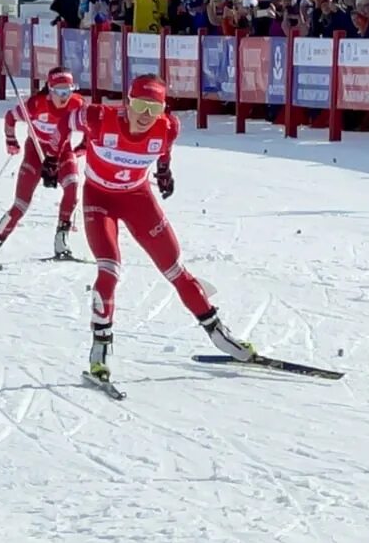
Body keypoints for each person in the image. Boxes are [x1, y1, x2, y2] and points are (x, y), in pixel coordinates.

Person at [77, 73, 251, 387]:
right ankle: (100, 350)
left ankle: (220, 335)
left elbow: (164, 149)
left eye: (154, 109)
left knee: (175, 268)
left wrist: (164, 169)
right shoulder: (98, 117)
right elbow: (64, 117)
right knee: (109, 269)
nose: (146, 115)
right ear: (127, 102)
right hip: (99, 198)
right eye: (141, 105)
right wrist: (53, 154)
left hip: (138, 198)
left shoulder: (168, 127)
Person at [0, 67, 86, 264]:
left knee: (73, 189)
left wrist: (83, 146)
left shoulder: (77, 104)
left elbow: (90, 126)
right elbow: (10, 117)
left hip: (62, 153)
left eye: (68, 90)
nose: (64, 96)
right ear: (50, 89)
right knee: (21, 204)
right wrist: (11, 140)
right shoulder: (35, 104)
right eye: (59, 91)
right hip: (35, 153)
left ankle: (62, 239)